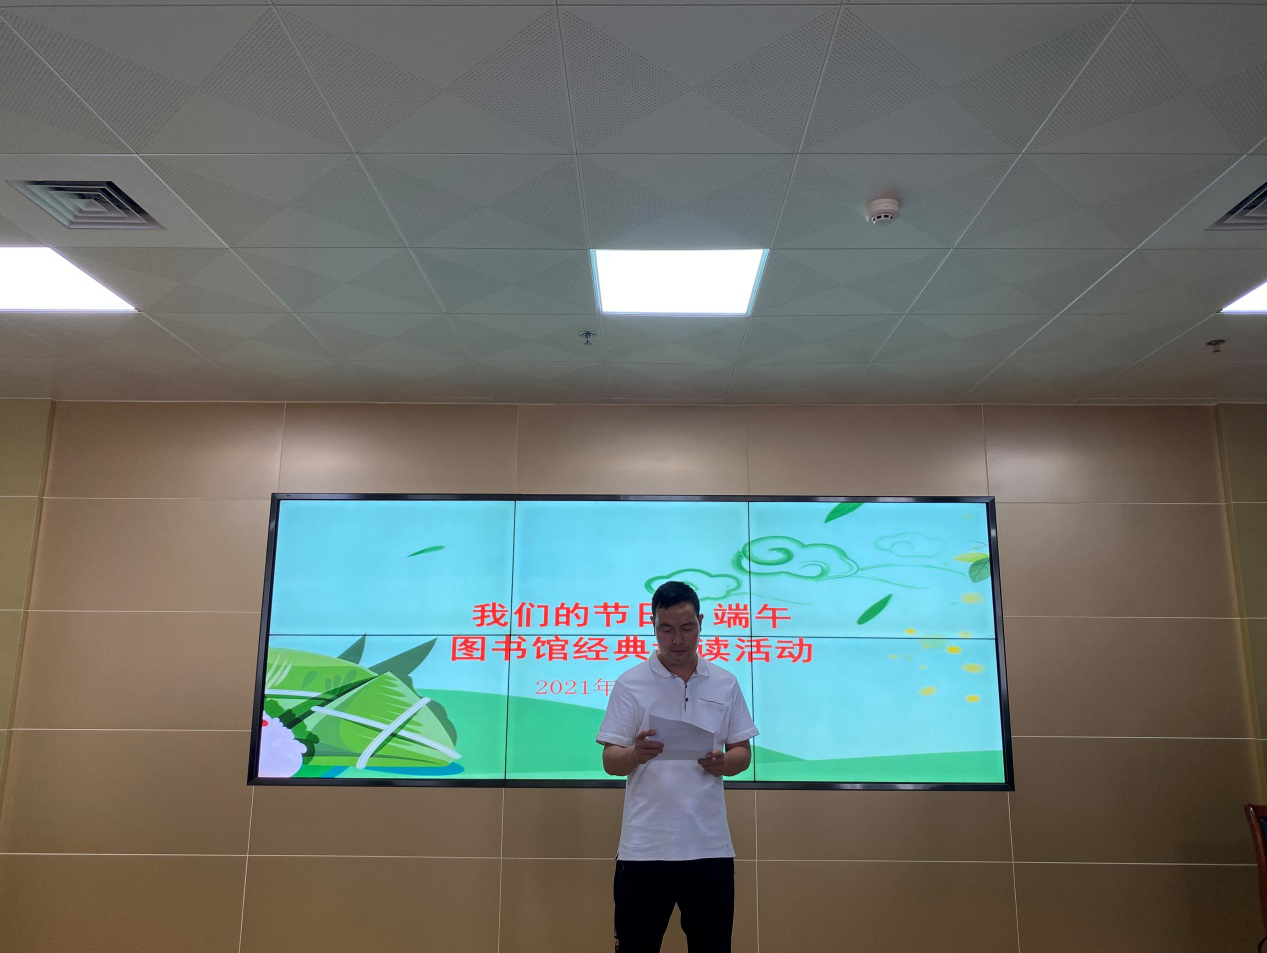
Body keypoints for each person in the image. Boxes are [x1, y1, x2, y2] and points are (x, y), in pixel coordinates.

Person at [596, 580, 758, 953]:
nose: (678, 639)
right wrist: (635, 753)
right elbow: (610, 761)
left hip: (709, 848)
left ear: (701, 622)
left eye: (687, 628)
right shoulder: (630, 683)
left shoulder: (725, 683)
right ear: (653, 626)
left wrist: (723, 763)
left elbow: (742, 753)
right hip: (644, 848)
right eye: (666, 629)